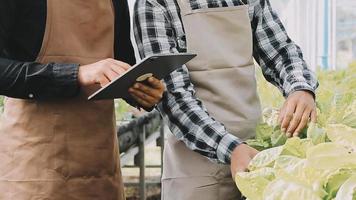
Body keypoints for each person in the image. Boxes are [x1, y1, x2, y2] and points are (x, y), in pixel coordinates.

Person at [134, 0, 318, 199]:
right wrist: (232, 149)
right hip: (196, 170)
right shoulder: (155, 4)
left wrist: (300, 88)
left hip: (256, 158)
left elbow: (279, 50)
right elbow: (174, 97)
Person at [0, 0, 165, 199]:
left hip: (101, 169)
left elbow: (122, 67)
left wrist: (142, 92)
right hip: (34, 170)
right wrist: (75, 74)